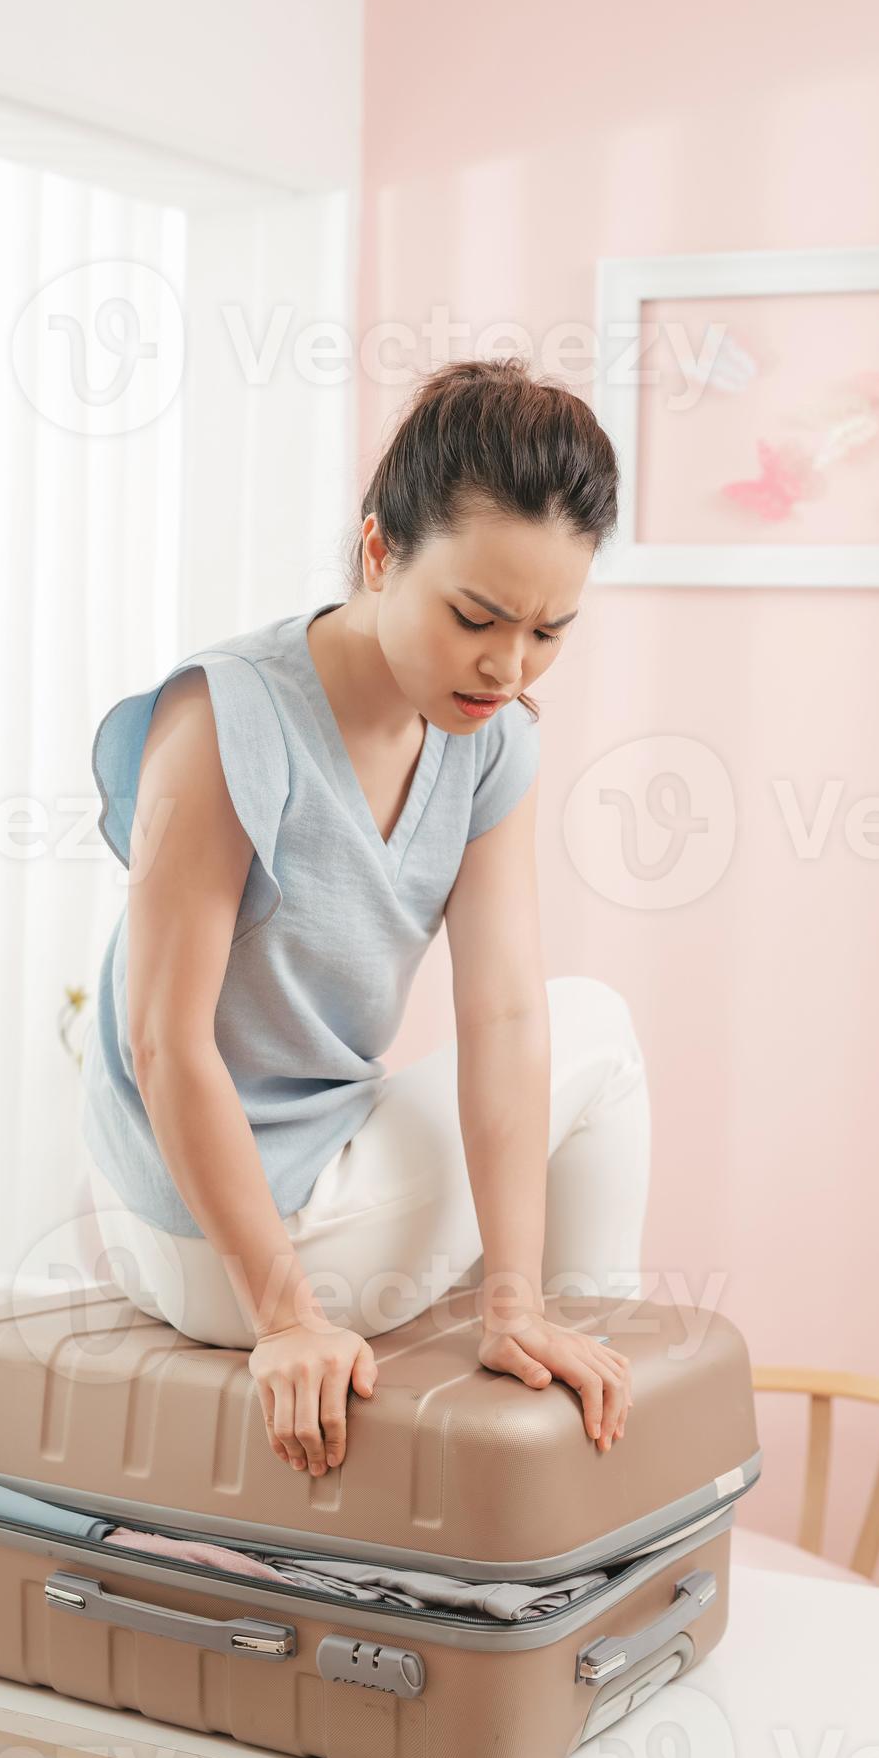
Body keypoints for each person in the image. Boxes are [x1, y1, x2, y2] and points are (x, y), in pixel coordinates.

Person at [79, 357, 652, 1480]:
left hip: (306, 1185)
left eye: (548, 631)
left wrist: (508, 1298)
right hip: (221, 1235)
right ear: (380, 550)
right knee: (605, 1031)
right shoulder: (223, 716)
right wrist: (286, 1316)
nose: (507, 663)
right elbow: (164, 1041)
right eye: (477, 616)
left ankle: (546, 1342)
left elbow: (498, 1016)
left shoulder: (489, 738)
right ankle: (600, 1399)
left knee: (552, 1017)